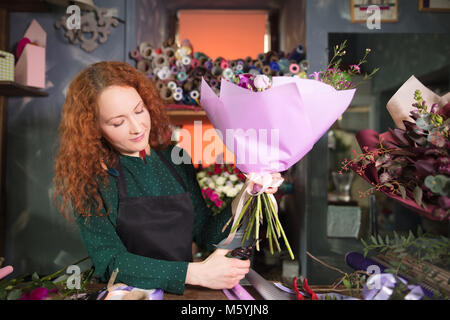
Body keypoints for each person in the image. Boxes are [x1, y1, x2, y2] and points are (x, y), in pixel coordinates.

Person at [53, 61, 279, 295]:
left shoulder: (175, 158)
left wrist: (246, 193)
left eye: (139, 110)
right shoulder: (92, 178)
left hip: (183, 295)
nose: (136, 127)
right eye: (118, 122)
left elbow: (205, 236)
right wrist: (194, 273)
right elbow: (111, 263)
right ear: (94, 127)